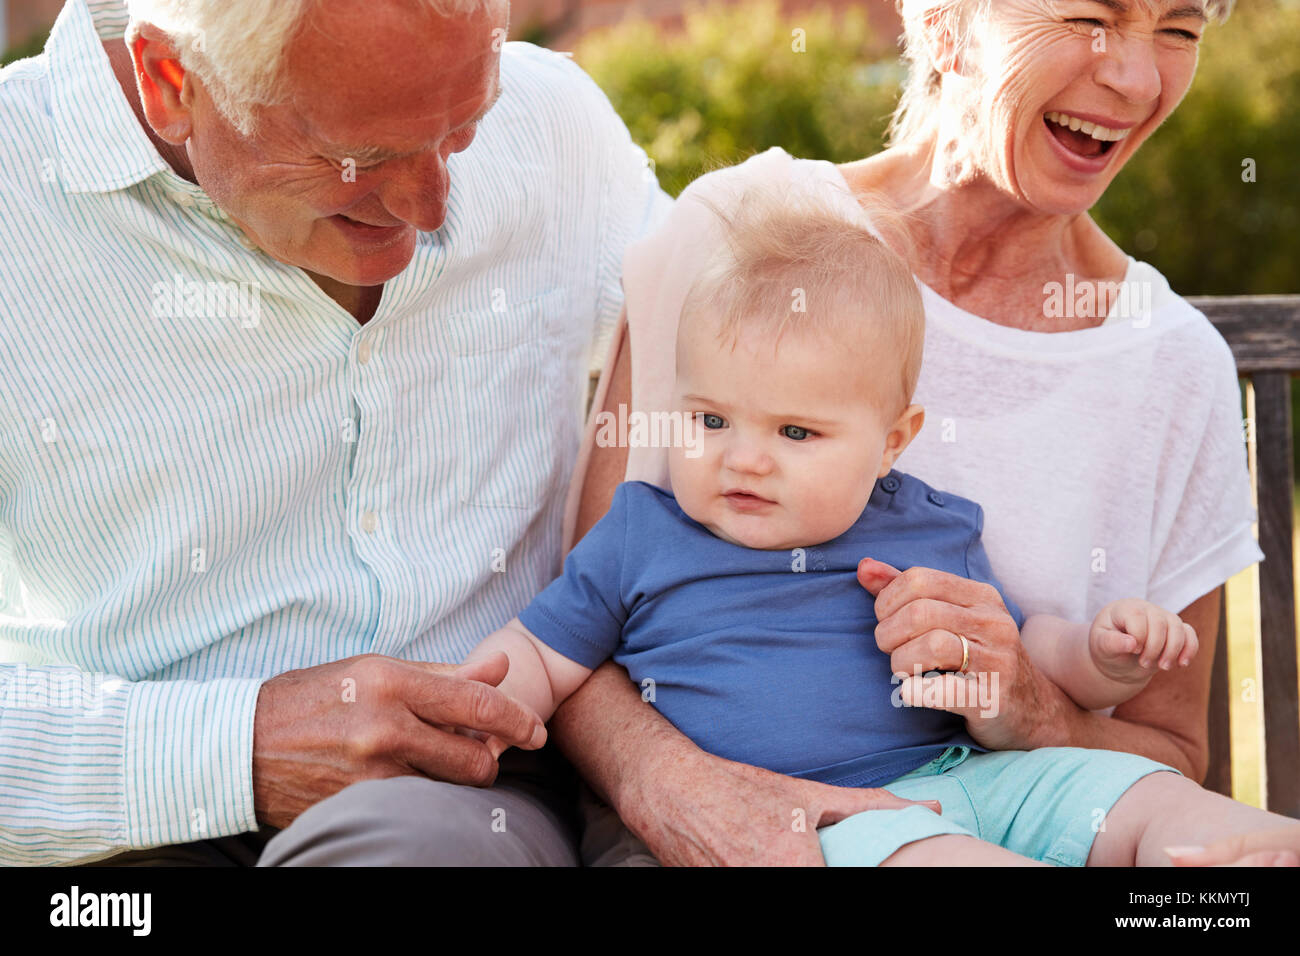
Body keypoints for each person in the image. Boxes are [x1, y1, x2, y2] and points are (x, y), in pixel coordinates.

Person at [549, 0, 1269, 865]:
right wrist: (681, 789)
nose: (1136, 76)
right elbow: (581, 634)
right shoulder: (739, 240)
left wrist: (1038, 707)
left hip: (1027, 816)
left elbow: (1176, 757)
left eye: (1180, 31)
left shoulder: (1173, 361)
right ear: (941, 23)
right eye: (1086, 16)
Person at [0, 0, 672, 865]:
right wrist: (232, 750)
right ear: (172, 81)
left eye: (465, 130)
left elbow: (726, 336)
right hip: (109, 841)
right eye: (367, 157)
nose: (431, 208)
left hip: (468, 811)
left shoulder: (557, 123)